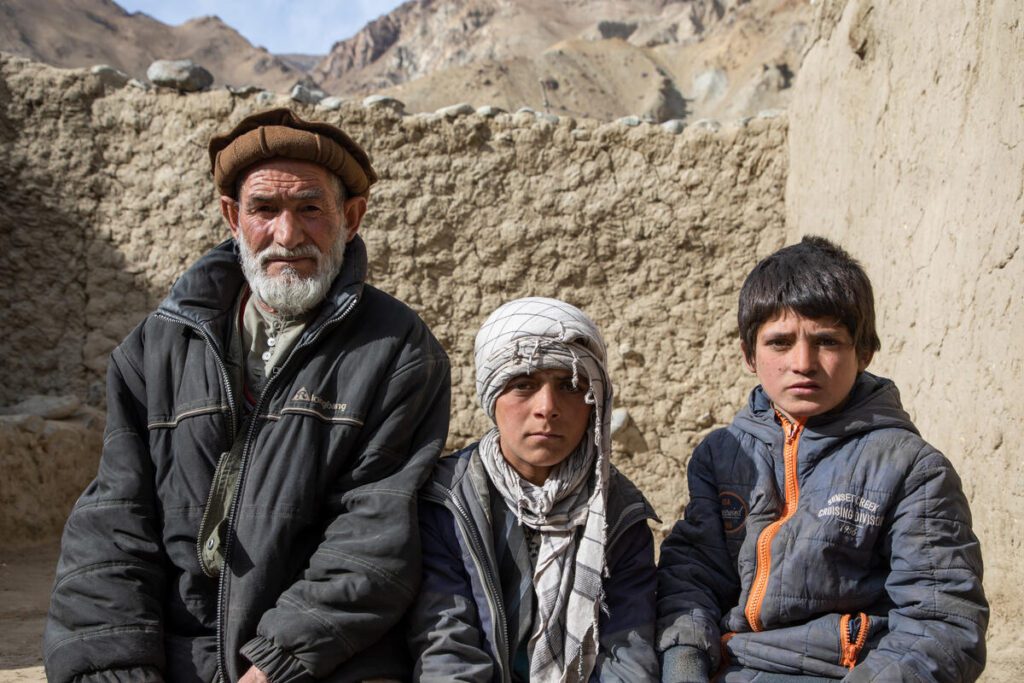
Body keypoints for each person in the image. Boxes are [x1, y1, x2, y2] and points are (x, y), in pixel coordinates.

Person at [43, 108, 451, 683]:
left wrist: (276, 663)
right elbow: (112, 526)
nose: (287, 235)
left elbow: (374, 539)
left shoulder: (398, 351)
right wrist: (117, 666)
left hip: (323, 660)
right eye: (265, 209)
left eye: (311, 208)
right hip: (177, 655)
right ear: (233, 217)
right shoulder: (156, 348)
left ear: (351, 217)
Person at [656, 236, 988, 682]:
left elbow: (942, 625)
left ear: (864, 352)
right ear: (748, 355)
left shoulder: (910, 468)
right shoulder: (720, 456)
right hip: (732, 667)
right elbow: (692, 576)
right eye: (779, 342)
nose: (803, 362)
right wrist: (683, 662)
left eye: (827, 341)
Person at [410, 297, 660, 682]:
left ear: (594, 402)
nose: (548, 407)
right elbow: (446, 646)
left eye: (570, 386)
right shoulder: (446, 502)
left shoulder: (619, 513)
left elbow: (628, 651)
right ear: (492, 397)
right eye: (524, 384)